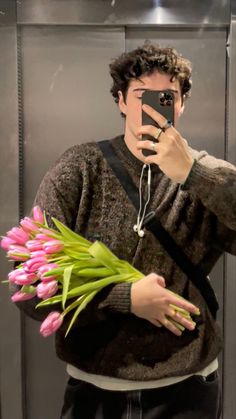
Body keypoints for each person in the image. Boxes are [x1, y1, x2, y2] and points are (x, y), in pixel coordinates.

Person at [14, 41, 236, 419]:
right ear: (120, 100)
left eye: (166, 95)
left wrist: (191, 175)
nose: (152, 106)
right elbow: (31, 285)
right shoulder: (79, 170)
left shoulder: (206, 175)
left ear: (181, 103)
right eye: (140, 95)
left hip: (188, 390)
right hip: (96, 393)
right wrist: (124, 297)